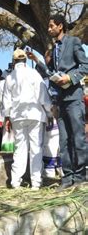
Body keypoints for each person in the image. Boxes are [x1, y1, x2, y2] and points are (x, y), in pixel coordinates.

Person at [30, 14, 88, 190]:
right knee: (63, 140)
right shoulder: (54, 48)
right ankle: (67, 177)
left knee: (78, 138)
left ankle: (80, 176)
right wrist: (38, 62)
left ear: (60, 26)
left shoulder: (74, 42)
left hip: (74, 98)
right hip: (60, 101)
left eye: (51, 26)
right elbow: (51, 74)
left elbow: (85, 65)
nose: (48, 30)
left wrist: (70, 78)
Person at [2, 49, 52, 190]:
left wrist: (7, 117)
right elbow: (43, 94)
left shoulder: (10, 77)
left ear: (14, 61)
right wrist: (49, 112)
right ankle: (36, 182)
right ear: (25, 60)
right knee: (36, 148)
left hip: (17, 116)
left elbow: (6, 100)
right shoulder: (34, 74)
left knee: (20, 149)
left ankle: (15, 182)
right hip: (35, 114)